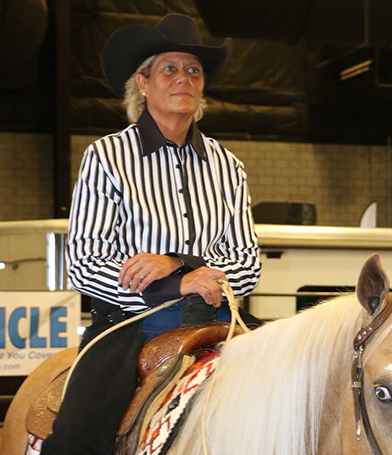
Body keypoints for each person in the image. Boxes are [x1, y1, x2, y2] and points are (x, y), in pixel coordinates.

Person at [41, 13, 262, 455]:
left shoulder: (228, 167)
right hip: (129, 327)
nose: (184, 78)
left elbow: (248, 262)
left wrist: (183, 262)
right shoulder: (107, 157)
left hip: (219, 320)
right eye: (170, 68)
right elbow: (84, 263)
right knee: (78, 438)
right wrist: (175, 284)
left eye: (193, 70)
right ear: (142, 83)